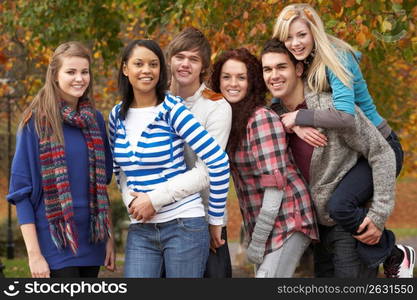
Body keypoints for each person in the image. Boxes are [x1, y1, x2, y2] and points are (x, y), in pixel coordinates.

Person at [272, 3, 414, 277]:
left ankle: (394, 251)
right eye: (288, 37)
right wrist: (295, 125)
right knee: (334, 209)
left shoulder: (335, 57)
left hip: (380, 145)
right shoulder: (302, 61)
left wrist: (301, 119)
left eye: (301, 34)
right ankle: (388, 256)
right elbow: (278, 104)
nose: (294, 42)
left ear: (314, 31)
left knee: (340, 205)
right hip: (353, 151)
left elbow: (345, 116)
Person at [108, 39, 230, 278]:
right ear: (125, 69)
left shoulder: (172, 108)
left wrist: (215, 220)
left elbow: (218, 162)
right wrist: (131, 204)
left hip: (183, 224)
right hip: (141, 229)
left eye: (153, 64)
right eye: (138, 64)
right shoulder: (116, 115)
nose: (146, 70)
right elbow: (120, 172)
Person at [7, 41, 115, 278]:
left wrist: (108, 238)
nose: (79, 78)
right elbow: (20, 193)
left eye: (84, 72)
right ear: (55, 76)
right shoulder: (34, 122)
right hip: (54, 242)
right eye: (71, 72)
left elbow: (102, 186)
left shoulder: (95, 120)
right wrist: (34, 254)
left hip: (92, 239)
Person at [209, 47, 319, 278]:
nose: (233, 83)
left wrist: (256, 241)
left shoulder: (259, 119)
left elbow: (275, 187)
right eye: (226, 77)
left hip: (289, 217)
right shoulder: (230, 121)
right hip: (265, 223)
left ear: (252, 82)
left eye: (241, 77)